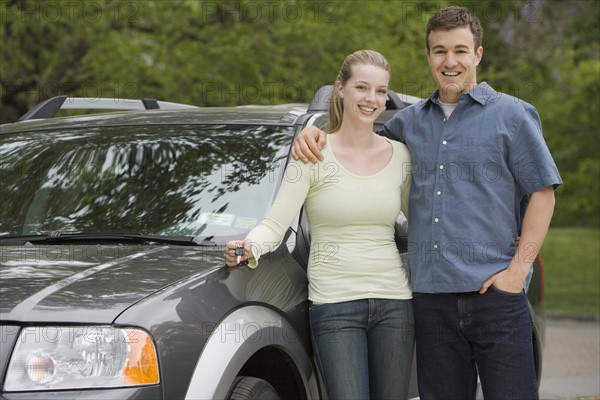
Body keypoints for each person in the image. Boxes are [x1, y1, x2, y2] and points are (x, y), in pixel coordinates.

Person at [291, 6, 562, 400]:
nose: (449, 62)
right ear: (428, 56)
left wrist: (517, 271)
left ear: (478, 54)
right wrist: (314, 134)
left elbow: (543, 193)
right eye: (439, 51)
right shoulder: (407, 123)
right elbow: (355, 136)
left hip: (497, 297)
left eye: (460, 50)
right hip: (431, 305)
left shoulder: (513, 116)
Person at [224, 49, 414, 400]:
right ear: (340, 89)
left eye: (380, 90)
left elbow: (421, 223)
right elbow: (275, 223)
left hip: (394, 305)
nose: (371, 99)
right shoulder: (311, 154)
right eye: (362, 87)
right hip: (334, 307)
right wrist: (248, 245)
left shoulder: (400, 156)